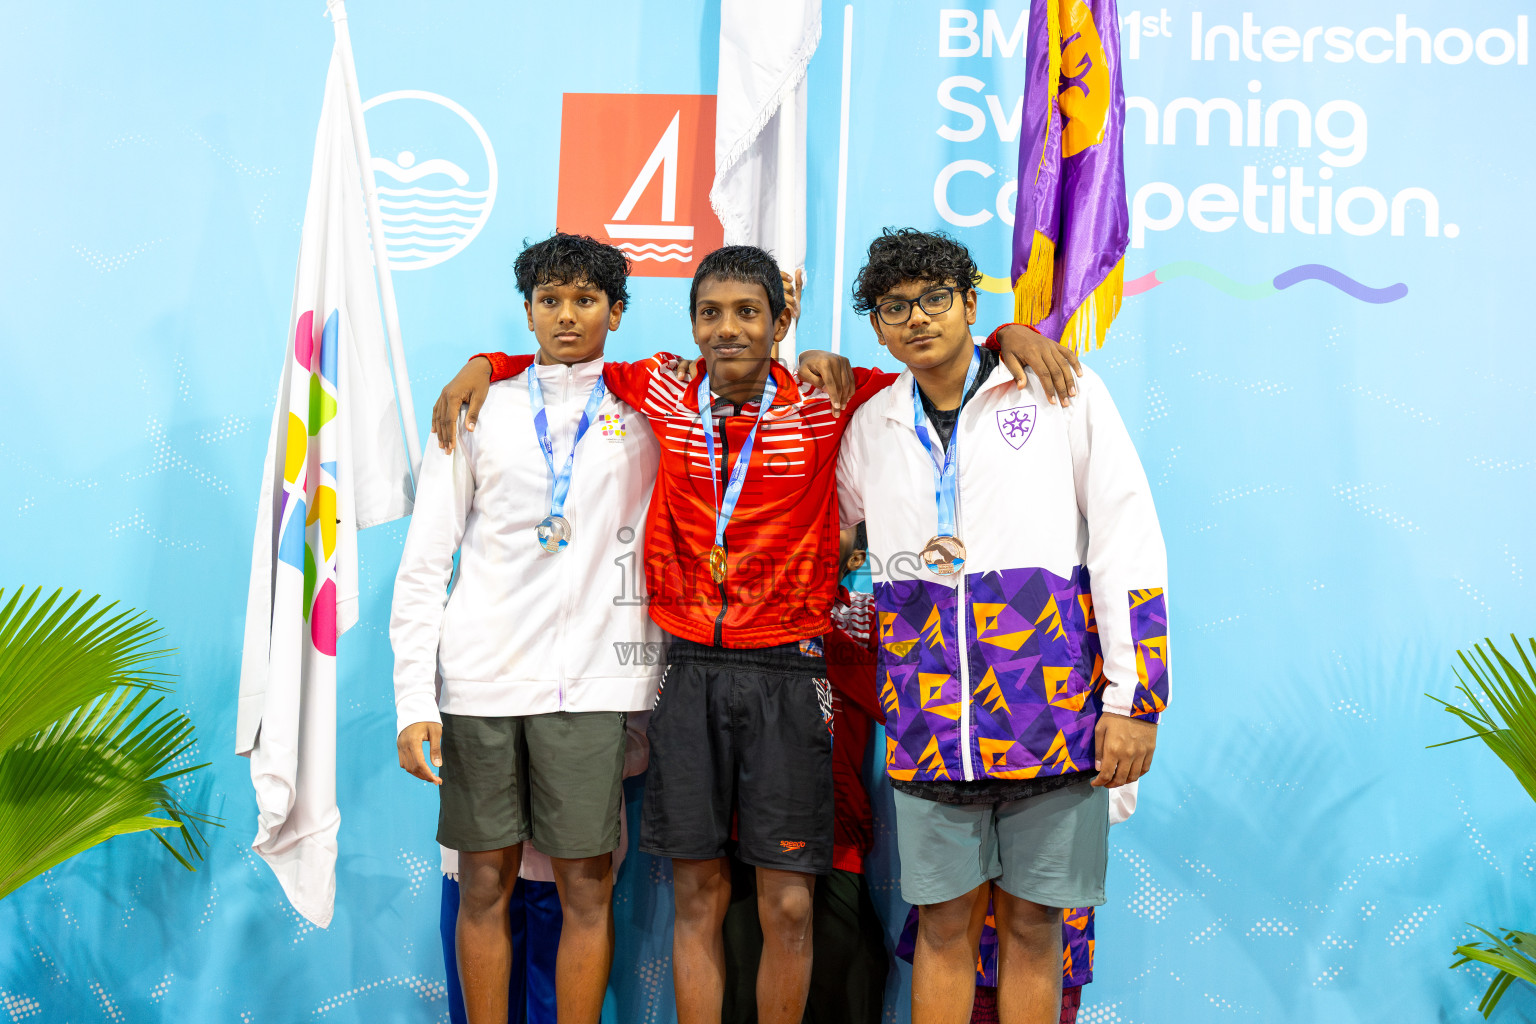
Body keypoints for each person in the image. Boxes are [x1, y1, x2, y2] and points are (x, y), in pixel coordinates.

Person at [432, 243, 1079, 1024]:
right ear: (692, 323)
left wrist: (1007, 336)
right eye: (711, 313)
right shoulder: (661, 387)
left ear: (781, 321)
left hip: (790, 676)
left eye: (748, 313)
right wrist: (483, 362)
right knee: (698, 898)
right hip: (688, 675)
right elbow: (561, 358)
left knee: (791, 909)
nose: (728, 329)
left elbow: (936, 369)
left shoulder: (830, 399)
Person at [835, 229, 1169, 1024]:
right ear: (878, 327)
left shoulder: (1061, 393)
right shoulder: (871, 429)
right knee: (943, 931)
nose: (918, 318)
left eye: (935, 298)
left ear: (971, 304)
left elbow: (1129, 541)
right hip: (928, 724)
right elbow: (839, 537)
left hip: (1049, 714)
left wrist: (1135, 698)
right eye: (895, 307)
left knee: (1034, 925)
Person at [390, 233, 665, 1024]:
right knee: (483, 884)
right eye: (550, 300)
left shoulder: (648, 412)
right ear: (528, 312)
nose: (567, 315)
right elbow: (423, 565)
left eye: (586, 300)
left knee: (586, 886)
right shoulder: (477, 408)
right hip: (480, 684)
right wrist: (415, 700)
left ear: (617, 311)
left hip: (589, 689)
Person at [722, 524, 889, 1024]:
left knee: (848, 989)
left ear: (857, 551)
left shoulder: (868, 618)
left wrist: (811, 625)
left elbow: (890, 700)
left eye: (833, 523)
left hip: (837, 839)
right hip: (754, 841)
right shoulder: (743, 608)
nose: (817, 533)